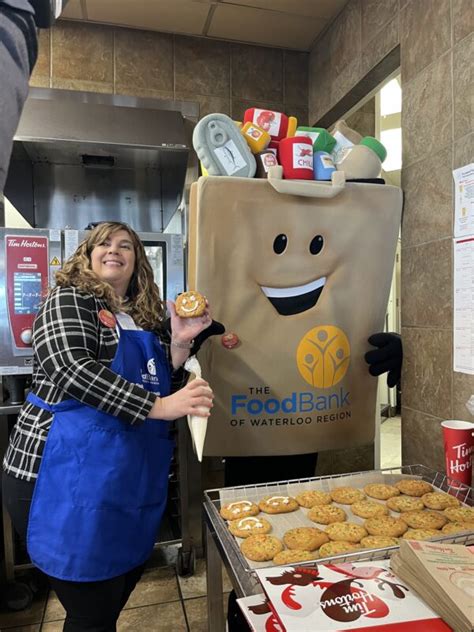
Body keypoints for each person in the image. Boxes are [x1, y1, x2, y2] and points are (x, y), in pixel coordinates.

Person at [2, 221, 215, 631]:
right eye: (103, 243)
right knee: (91, 612)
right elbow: (71, 370)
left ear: (137, 261)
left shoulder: (135, 318)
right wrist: (162, 405)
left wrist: (180, 345)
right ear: (86, 253)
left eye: (125, 245)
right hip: (57, 475)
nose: (113, 250)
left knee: (108, 603)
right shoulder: (68, 299)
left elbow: (156, 381)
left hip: (115, 476)